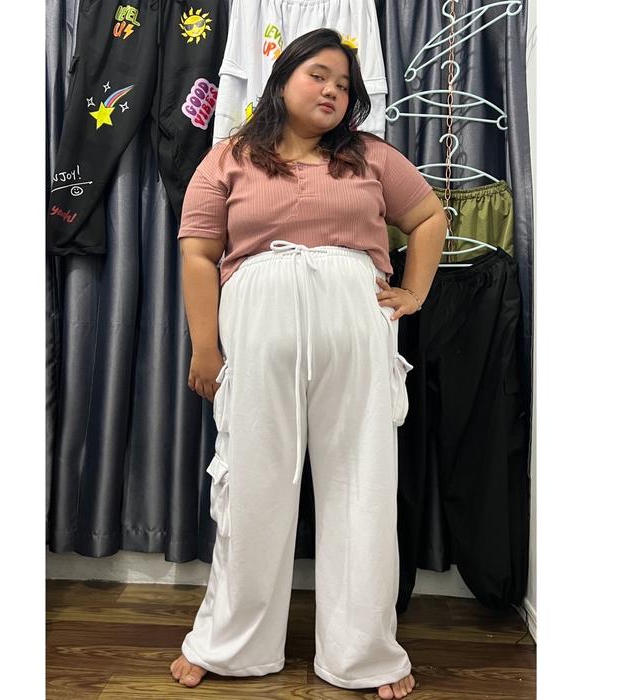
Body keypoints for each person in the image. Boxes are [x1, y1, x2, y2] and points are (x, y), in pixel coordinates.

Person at [170, 28, 446, 700]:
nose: (332, 91)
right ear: (282, 78)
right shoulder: (229, 157)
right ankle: (231, 644)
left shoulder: (372, 156)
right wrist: (205, 348)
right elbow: (198, 254)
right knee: (251, 484)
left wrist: (413, 291)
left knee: (363, 485)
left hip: (356, 328)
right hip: (257, 329)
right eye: (318, 75)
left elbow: (429, 217)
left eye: (344, 85)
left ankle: (364, 654)